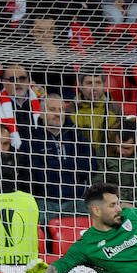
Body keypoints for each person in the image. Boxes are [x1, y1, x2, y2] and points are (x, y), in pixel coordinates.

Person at [27, 93, 93, 225]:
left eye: (61, 110)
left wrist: (55, 166)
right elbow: (36, 173)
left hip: (75, 200)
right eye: (52, 109)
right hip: (44, 201)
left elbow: (89, 165)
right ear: (41, 113)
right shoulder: (31, 139)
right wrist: (69, 167)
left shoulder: (76, 136)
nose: (58, 114)